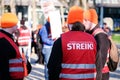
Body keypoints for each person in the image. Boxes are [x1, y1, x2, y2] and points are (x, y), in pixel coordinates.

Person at [48, 6, 97, 80]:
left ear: (69, 23)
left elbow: (52, 67)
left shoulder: (61, 41)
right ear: (83, 22)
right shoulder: (92, 40)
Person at [83, 8, 114, 80]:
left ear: (89, 21)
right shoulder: (91, 33)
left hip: (101, 75)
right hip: (95, 74)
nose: (83, 23)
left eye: (85, 20)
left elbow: (101, 62)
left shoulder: (100, 36)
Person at [0, 12, 28, 80]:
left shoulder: (8, 38)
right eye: (16, 24)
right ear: (11, 25)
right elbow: (2, 68)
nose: (17, 26)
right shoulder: (3, 41)